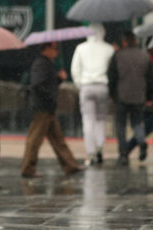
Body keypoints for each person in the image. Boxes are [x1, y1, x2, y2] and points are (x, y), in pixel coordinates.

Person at [21, 42, 84, 177]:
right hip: (43, 107)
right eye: (54, 48)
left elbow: (47, 83)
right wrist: (50, 96)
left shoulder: (47, 64)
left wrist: (58, 79)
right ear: (46, 49)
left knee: (57, 138)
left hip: (47, 107)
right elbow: (38, 84)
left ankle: (70, 165)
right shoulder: (41, 64)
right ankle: (27, 168)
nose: (56, 51)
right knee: (35, 139)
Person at [70, 23, 115, 165]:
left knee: (88, 121)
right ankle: (100, 148)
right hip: (102, 87)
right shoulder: (109, 49)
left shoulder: (81, 48)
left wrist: (81, 85)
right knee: (101, 120)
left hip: (87, 87)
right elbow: (113, 71)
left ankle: (90, 153)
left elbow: (75, 70)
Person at [108, 32, 153, 166]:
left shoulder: (118, 56)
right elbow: (151, 79)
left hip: (122, 96)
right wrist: (149, 96)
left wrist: (112, 94)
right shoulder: (144, 56)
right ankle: (141, 141)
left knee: (120, 126)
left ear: (125, 42)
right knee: (137, 123)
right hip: (139, 96)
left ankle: (123, 154)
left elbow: (111, 76)